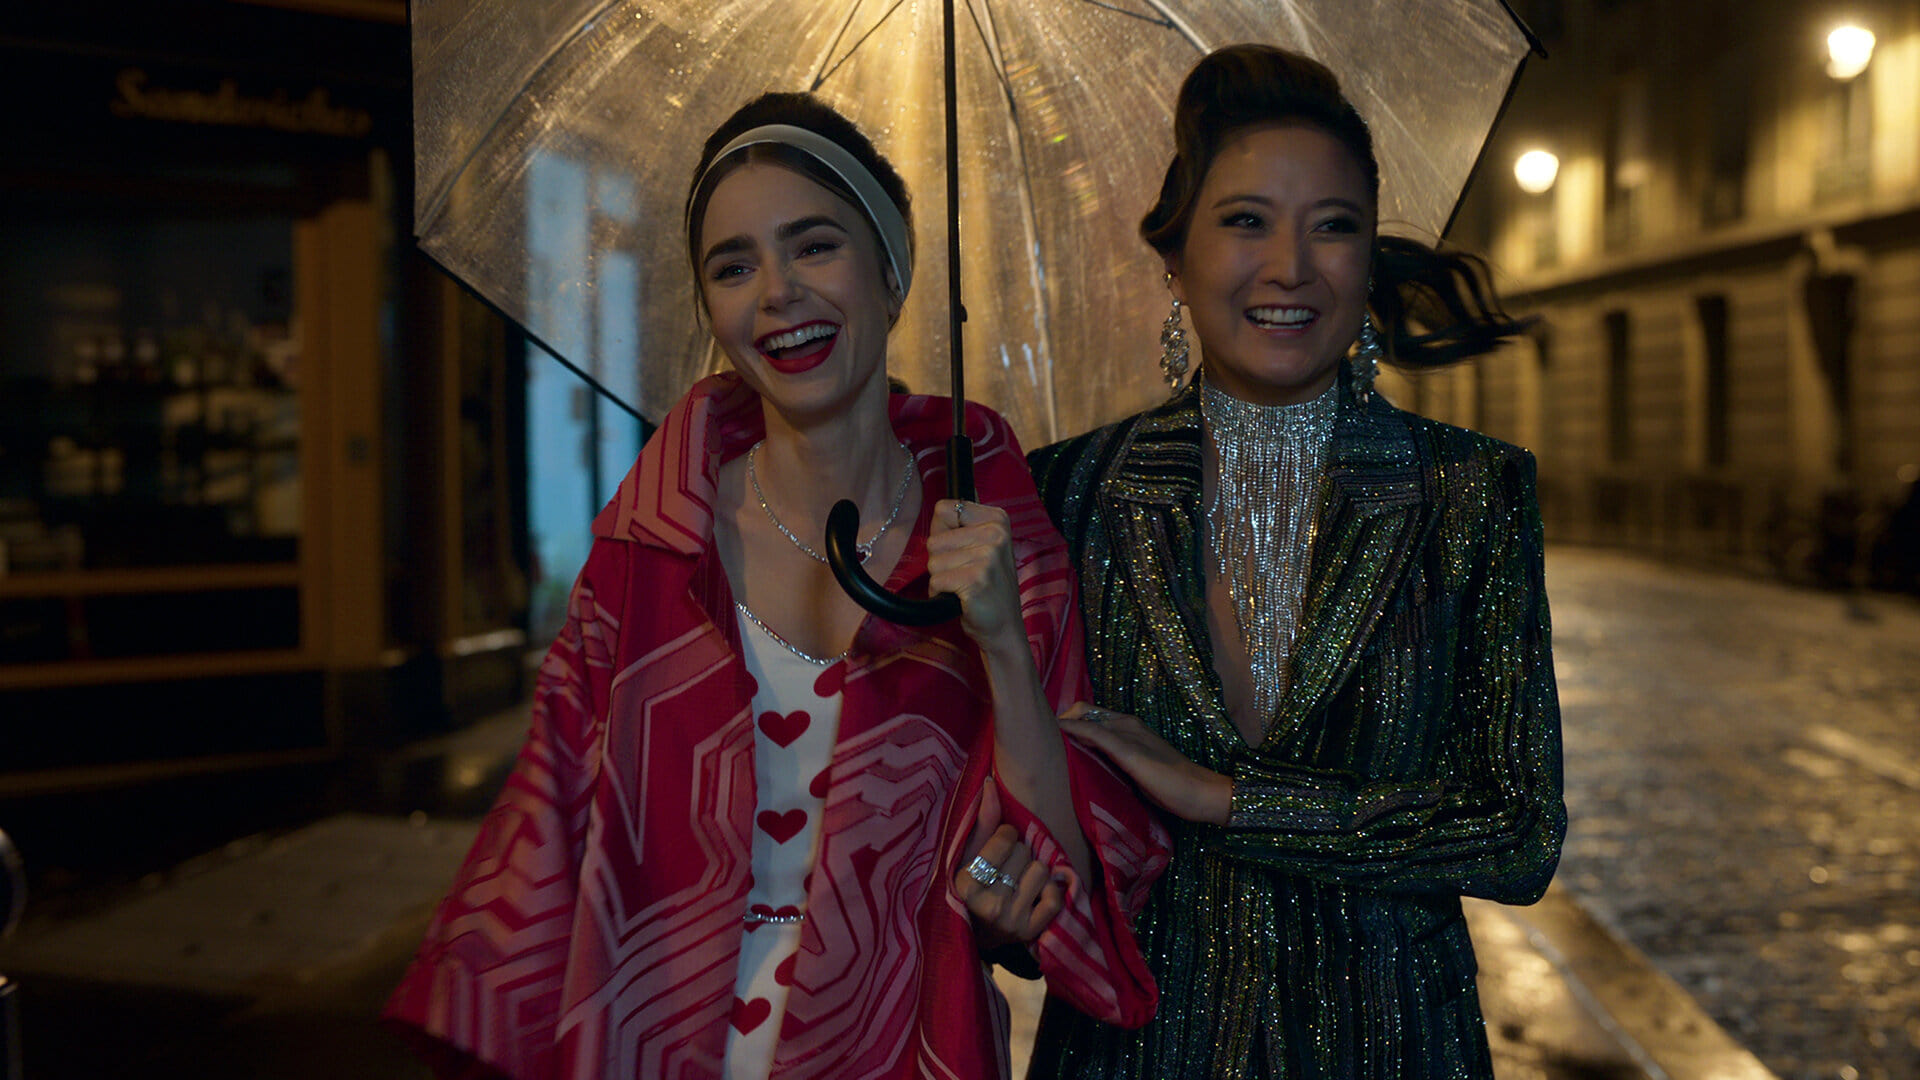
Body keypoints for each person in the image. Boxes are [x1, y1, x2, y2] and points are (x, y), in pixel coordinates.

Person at [385, 92, 1165, 1080]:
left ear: (892, 271)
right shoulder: (653, 548)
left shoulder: (998, 533)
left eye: (815, 247)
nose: (777, 294)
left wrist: (1004, 645)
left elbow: (1065, 882)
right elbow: (542, 848)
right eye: (734, 266)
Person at [1022, 44, 1566, 1077]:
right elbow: (1039, 830)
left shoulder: (1470, 493)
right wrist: (1004, 895)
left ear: (1367, 258)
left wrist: (1225, 798)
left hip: (1394, 1047)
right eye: (1246, 221)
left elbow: (1517, 831)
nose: (1291, 266)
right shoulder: (1067, 494)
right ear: (1175, 256)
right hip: (1135, 1049)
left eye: (1333, 226)